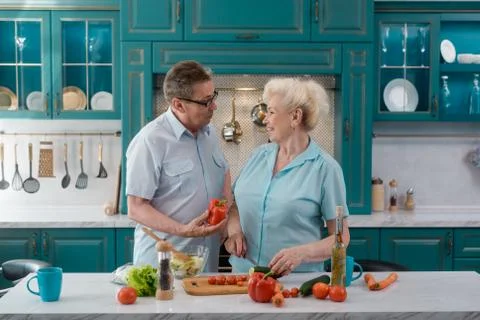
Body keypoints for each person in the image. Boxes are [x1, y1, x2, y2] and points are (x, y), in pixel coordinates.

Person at [225, 77, 350, 275]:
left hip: (295, 284)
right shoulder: (257, 156)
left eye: (272, 112)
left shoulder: (326, 169)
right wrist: (234, 232)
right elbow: (234, 205)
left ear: (295, 117)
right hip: (242, 278)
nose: (265, 118)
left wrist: (302, 253)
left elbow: (341, 236)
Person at [126, 60, 231, 272]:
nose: (214, 106)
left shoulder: (210, 133)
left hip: (204, 264)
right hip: (163, 264)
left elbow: (224, 171)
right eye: (206, 101)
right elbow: (136, 208)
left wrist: (225, 212)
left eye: (213, 97)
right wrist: (183, 230)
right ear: (178, 104)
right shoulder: (150, 140)